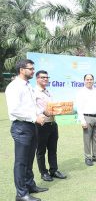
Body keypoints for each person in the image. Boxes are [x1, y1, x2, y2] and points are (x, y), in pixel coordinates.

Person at [5, 59, 48, 201]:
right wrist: (34, 118)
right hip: (21, 127)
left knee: (29, 160)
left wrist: (39, 114)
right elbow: (15, 110)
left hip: (30, 126)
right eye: (30, 69)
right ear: (22, 70)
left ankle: (30, 186)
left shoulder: (27, 85)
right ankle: (21, 194)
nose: (33, 71)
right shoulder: (14, 87)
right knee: (21, 162)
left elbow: (30, 105)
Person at [35, 70, 66, 182]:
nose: (45, 79)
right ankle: (43, 172)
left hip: (53, 124)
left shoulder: (48, 92)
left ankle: (54, 170)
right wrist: (44, 112)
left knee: (53, 149)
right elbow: (33, 109)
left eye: (47, 77)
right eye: (43, 77)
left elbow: (53, 107)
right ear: (37, 79)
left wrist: (60, 109)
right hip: (41, 125)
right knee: (41, 151)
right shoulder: (34, 92)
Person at [76, 74, 96, 166]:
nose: (89, 81)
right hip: (87, 118)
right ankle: (88, 157)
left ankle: (95, 156)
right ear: (84, 81)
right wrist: (82, 120)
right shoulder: (81, 92)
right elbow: (79, 108)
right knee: (87, 139)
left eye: (91, 79)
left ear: (93, 80)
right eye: (87, 79)